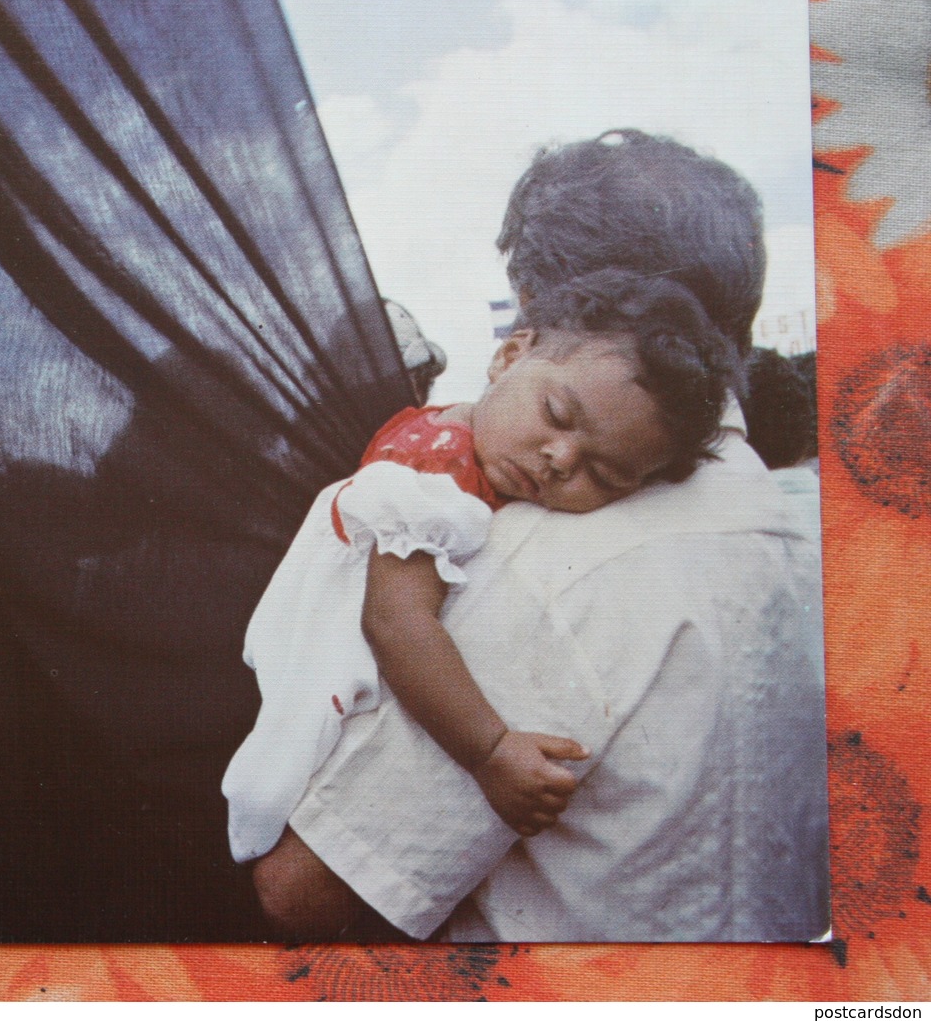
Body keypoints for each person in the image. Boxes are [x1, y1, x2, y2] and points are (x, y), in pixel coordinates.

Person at [249, 130, 830, 943]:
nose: (560, 462)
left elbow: (302, 888)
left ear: (537, 309)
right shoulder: (821, 534)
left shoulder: (525, 560)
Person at [223, 268, 739, 862]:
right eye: (557, 414)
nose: (560, 460)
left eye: (604, 475)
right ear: (510, 354)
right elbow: (395, 622)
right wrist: (490, 752)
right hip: (326, 675)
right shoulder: (437, 471)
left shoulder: (459, 437)